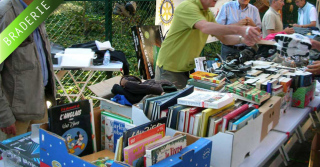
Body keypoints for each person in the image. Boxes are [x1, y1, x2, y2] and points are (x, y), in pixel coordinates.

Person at [155, 0, 261, 89]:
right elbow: (205, 27)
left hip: (187, 68)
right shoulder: (187, 6)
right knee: (168, 108)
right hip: (170, 68)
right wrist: (240, 30)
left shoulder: (207, 13)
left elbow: (223, 38)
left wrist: (243, 39)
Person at [0, 0, 56, 138]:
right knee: (11, 159)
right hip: (14, 116)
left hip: (38, 104)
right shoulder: (7, 14)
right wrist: (4, 116)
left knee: (39, 157)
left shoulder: (36, 9)